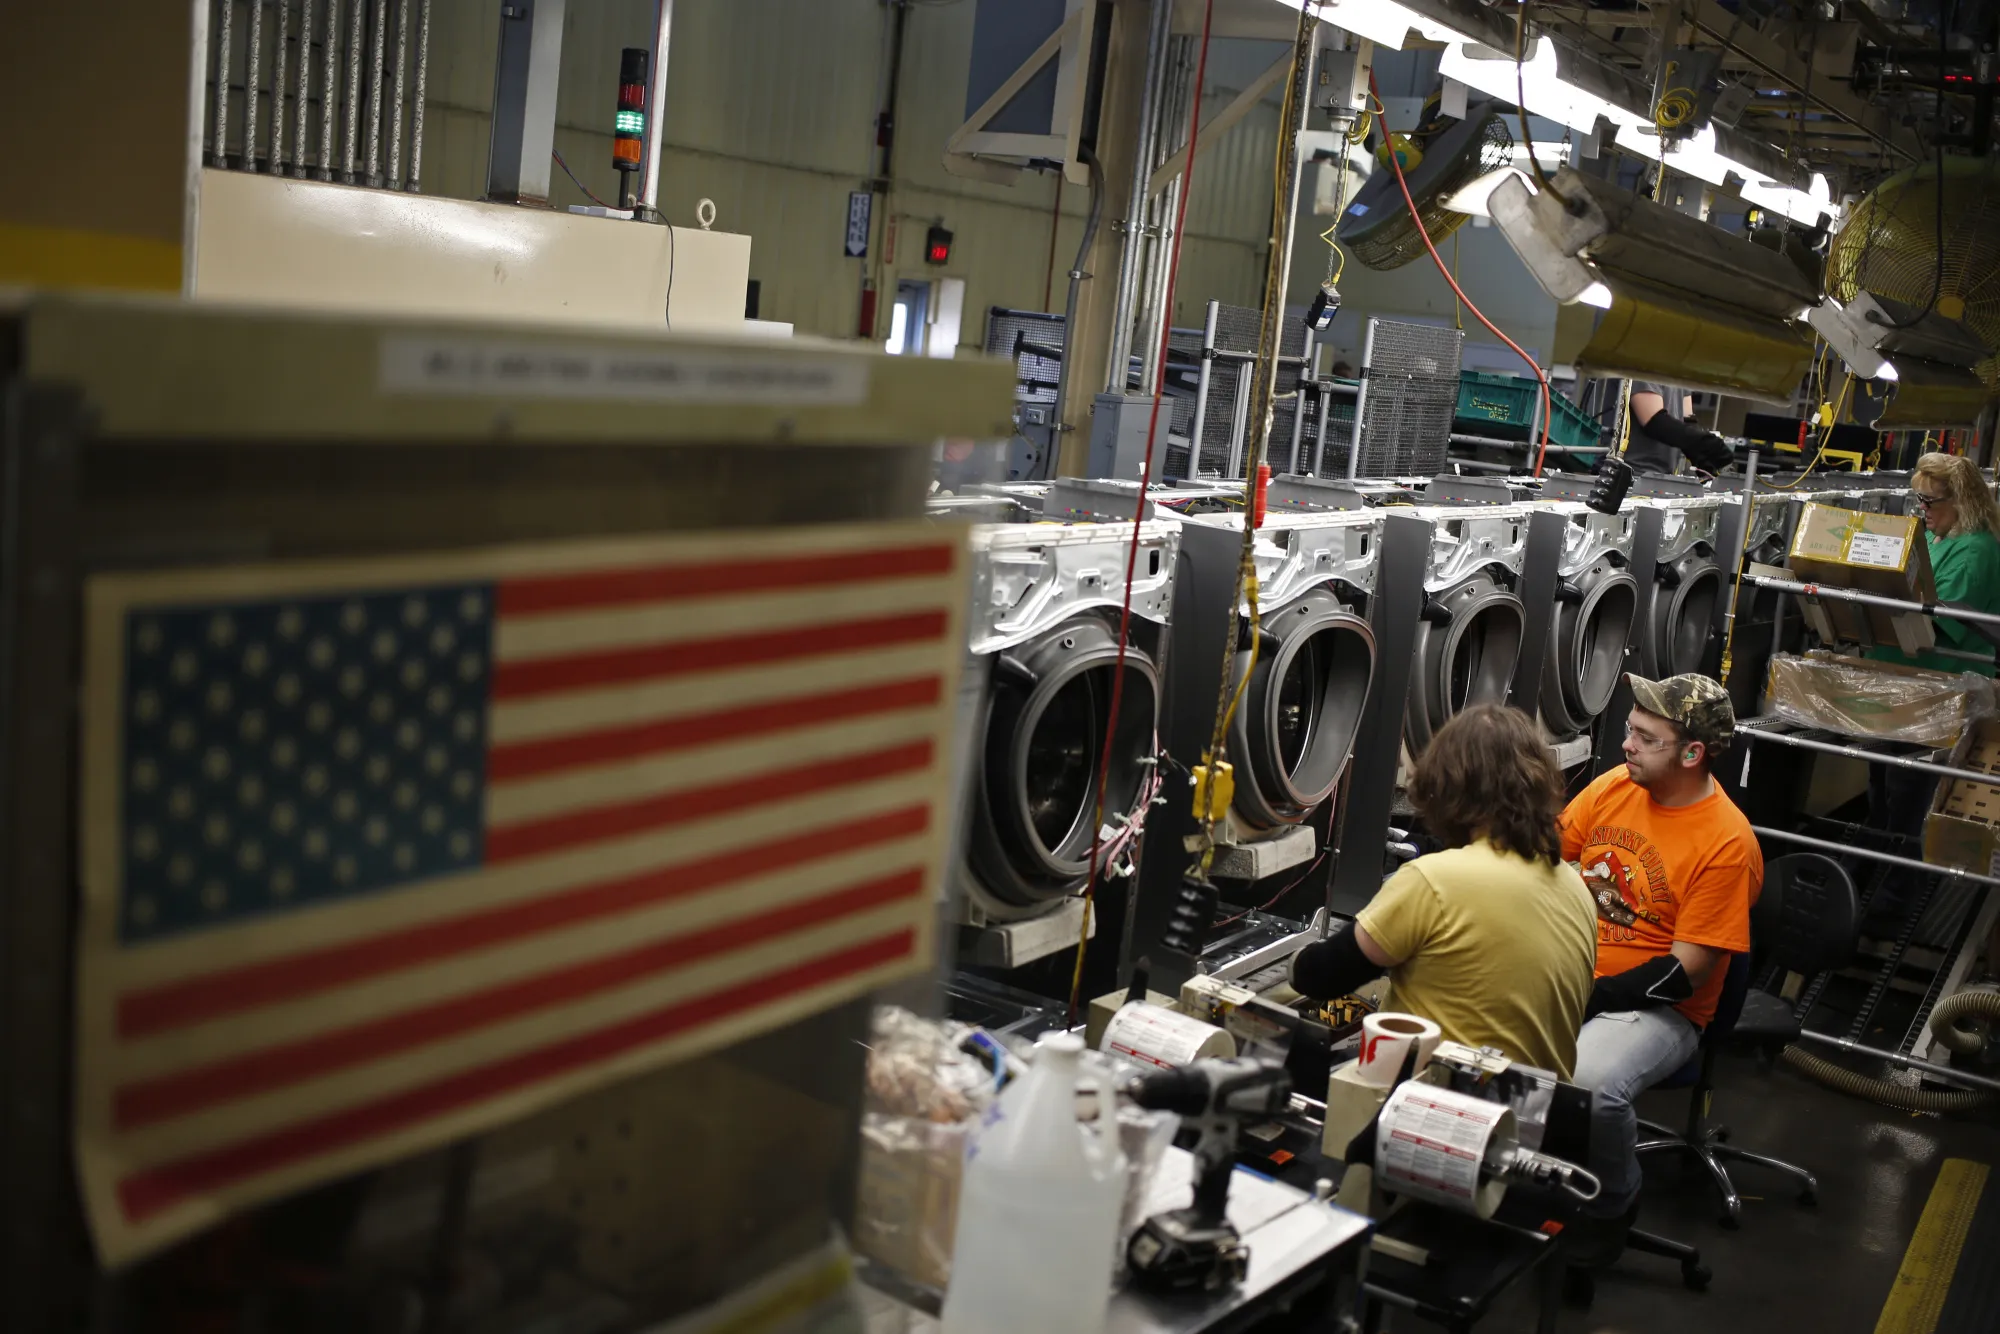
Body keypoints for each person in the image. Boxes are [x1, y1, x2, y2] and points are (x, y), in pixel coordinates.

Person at [1288, 704, 1597, 1078]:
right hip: (1534, 1115)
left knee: (1291, 1058)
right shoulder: (1575, 888)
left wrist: (1294, 960)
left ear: (1447, 786)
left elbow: (1322, 977)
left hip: (1438, 1109)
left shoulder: (1434, 881)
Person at [1560, 673, 1763, 1241]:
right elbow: (1543, 854)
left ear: (1694, 753)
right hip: (1576, 973)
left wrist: (1591, 996)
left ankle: (1613, 1205)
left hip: (1663, 1010)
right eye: (1630, 730)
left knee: (1591, 1083)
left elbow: (1686, 973)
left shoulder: (1727, 842)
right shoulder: (1613, 788)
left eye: (1646, 737)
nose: (1627, 744)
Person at [1868, 451, 2000, 677]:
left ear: (1960, 501)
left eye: (1928, 501)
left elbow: (1933, 626)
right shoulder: (1935, 535)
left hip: (1944, 678)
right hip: (1900, 666)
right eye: (1919, 499)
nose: (1921, 507)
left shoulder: (1974, 552)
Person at [1625, 381, 1734, 475]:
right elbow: (1654, 422)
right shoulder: (1645, 362)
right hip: (1634, 471)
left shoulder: (1677, 369)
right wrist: (1704, 442)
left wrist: (1701, 456)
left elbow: (1688, 420)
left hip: (1664, 474)